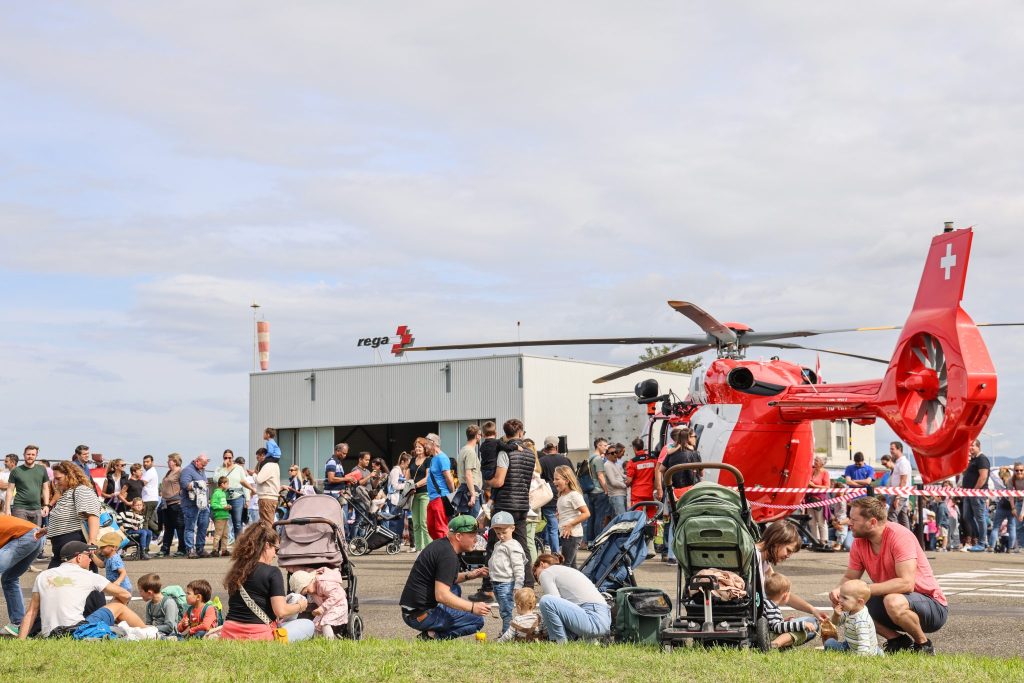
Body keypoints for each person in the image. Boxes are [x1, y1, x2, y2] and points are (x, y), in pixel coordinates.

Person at [830, 495, 947, 654]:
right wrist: (839, 591)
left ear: (872, 522)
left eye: (854, 519)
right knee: (851, 600)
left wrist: (864, 590)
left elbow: (906, 584)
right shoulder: (859, 542)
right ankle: (897, 641)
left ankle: (924, 645)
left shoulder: (899, 536)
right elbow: (850, 577)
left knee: (891, 600)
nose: (849, 523)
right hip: (894, 600)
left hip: (930, 603)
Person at [18, 540, 145, 639]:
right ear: (79, 558)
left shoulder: (43, 576)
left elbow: (31, 612)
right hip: (76, 631)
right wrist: (116, 604)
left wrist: (21, 641)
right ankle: (149, 632)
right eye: (88, 555)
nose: (91, 559)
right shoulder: (89, 576)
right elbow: (126, 594)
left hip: (49, 634)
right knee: (118, 606)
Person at [399, 514, 489, 640]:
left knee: (455, 588)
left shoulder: (442, 546)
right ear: (458, 536)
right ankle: (432, 636)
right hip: (420, 615)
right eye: (472, 536)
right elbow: (441, 595)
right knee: (477, 621)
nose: (475, 539)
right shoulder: (448, 556)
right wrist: (473, 607)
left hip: (412, 610)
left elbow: (446, 578)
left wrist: (470, 575)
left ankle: (434, 627)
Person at [221, 523, 314, 641]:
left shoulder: (237, 570)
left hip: (230, 632)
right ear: (266, 545)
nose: (275, 555)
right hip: (257, 635)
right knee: (308, 625)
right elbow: (281, 611)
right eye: (276, 549)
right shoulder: (273, 572)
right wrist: (300, 605)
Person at [484, 419, 536, 590]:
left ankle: (488, 587)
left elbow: (499, 481)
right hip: (522, 505)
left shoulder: (504, 453)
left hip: (505, 504)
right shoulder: (530, 454)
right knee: (523, 545)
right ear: (520, 432)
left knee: (493, 543)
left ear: (506, 434)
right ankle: (528, 584)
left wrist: (487, 481)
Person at [756, 521, 830, 623]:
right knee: (811, 623)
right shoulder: (755, 556)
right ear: (777, 541)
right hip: (756, 622)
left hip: (759, 619)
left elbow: (782, 592)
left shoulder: (763, 561)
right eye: (788, 550)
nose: (788, 556)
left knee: (811, 622)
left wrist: (813, 610)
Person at [533, 553, 611, 643]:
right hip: (603, 620)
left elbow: (553, 603)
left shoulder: (546, 572)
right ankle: (584, 640)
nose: (538, 580)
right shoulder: (566, 570)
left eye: (536, 574)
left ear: (542, 564)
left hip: (592, 618)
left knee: (546, 601)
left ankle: (559, 643)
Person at [656, 428, 703, 562]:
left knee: (673, 524)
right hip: (690, 493)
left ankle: (672, 556)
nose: (695, 438)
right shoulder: (695, 454)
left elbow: (661, 469)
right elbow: (701, 473)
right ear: (688, 438)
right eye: (694, 436)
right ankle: (688, 556)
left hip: (674, 493)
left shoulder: (671, 454)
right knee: (690, 523)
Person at [46, 461, 102, 568]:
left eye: (59, 478)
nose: (56, 482)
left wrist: (91, 542)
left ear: (70, 475)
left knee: (77, 579)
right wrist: (47, 530)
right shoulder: (68, 492)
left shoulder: (81, 490)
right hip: (63, 547)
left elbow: (93, 515)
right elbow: (67, 517)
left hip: (75, 544)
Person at [0, 514, 47, 636]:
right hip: (37, 536)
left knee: (9, 579)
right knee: (9, 579)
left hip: (27, 536)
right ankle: (18, 624)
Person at [488, 511, 527, 633]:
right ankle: (507, 631)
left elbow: (519, 567)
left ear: (513, 528)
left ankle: (507, 633)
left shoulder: (513, 546)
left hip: (506, 583)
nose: (501, 536)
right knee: (503, 609)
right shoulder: (498, 544)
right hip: (497, 582)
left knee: (506, 611)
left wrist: (518, 584)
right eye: (498, 533)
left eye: (504, 532)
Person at [824, 579, 883, 655]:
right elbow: (836, 623)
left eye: (845, 598)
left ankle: (877, 652)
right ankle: (876, 651)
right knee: (829, 643)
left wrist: (859, 660)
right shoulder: (850, 610)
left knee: (830, 645)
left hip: (863, 649)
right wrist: (836, 615)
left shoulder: (861, 620)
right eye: (840, 596)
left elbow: (864, 643)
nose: (840, 600)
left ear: (859, 602)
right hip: (851, 644)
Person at [289, 566, 350, 638]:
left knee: (325, 622)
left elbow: (338, 595)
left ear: (311, 581)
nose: (309, 593)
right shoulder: (312, 588)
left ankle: (330, 643)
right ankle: (317, 641)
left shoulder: (324, 584)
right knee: (315, 624)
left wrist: (322, 608)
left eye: (307, 591)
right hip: (326, 609)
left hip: (338, 606)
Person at [5, 446, 51, 541]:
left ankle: (35, 555)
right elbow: (9, 490)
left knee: (36, 535)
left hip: (37, 508)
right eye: (28, 454)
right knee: (21, 536)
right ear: (24, 455)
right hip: (20, 508)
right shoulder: (16, 471)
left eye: (33, 454)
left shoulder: (42, 469)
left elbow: (46, 488)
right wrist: (7, 508)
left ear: (36, 456)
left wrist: (46, 505)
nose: (30, 456)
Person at [763, 572, 818, 649]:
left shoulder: (766, 604)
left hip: (765, 634)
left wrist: (783, 620)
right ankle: (775, 644)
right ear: (785, 596)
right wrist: (803, 624)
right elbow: (777, 627)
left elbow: (770, 623)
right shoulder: (772, 608)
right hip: (768, 636)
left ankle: (779, 645)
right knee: (801, 632)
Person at [538, 436, 572, 556]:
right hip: (564, 496)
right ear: (557, 446)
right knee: (566, 524)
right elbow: (573, 478)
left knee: (552, 526)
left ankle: (555, 552)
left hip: (548, 497)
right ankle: (567, 552)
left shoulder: (541, 461)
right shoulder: (565, 460)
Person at [553, 466, 590, 568]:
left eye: (557, 479)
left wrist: (570, 525)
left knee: (565, 565)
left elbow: (586, 513)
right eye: (554, 479)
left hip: (572, 535)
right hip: (566, 534)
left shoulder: (574, 495)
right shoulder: (562, 495)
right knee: (572, 566)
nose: (554, 481)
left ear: (567, 480)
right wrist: (559, 515)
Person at [215, 450, 251, 543]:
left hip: (237, 498)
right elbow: (216, 480)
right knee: (222, 523)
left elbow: (244, 483)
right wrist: (223, 468)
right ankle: (221, 548)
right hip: (224, 498)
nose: (228, 459)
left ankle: (238, 547)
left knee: (237, 523)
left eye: (230, 457)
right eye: (225, 458)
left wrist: (247, 499)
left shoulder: (239, 468)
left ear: (233, 458)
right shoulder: (219, 468)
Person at [179, 453, 211, 558]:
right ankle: (190, 549)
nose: (204, 467)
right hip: (191, 505)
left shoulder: (201, 471)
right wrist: (196, 484)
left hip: (203, 504)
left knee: (203, 526)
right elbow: (184, 484)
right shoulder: (187, 470)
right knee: (190, 527)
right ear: (197, 461)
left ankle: (200, 548)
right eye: (203, 464)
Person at [961, 439, 990, 551]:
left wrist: (975, 491)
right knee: (966, 516)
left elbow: (983, 477)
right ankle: (979, 539)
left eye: (972, 446)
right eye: (969, 446)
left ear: (979, 446)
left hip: (977, 494)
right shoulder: (972, 460)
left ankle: (982, 542)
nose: (970, 448)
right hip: (969, 493)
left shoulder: (982, 459)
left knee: (980, 518)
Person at [424, 438, 454, 540]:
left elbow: (448, 478)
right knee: (431, 527)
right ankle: (439, 548)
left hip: (440, 497)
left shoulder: (442, 458)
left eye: (426, 444)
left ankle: (445, 551)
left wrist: (452, 494)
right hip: (432, 498)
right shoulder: (433, 459)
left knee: (441, 528)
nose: (425, 446)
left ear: (433, 443)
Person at [159, 453, 186, 557]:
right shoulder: (169, 472)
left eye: (169, 460)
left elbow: (184, 485)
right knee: (168, 527)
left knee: (179, 527)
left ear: (175, 461)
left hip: (176, 503)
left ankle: (182, 549)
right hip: (166, 503)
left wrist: (180, 497)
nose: (167, 462)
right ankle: (165, 549)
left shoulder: (181, 471)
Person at [584, 438, 611, 543]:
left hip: (590, 491)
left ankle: (590, 540)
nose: (606, 448)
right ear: (598, 446)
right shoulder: (598, 459)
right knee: (600, 517)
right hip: (599, 491)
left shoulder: (590, 458)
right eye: (604, 445)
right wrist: (606, 490)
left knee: (592, 517)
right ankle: (598, 540)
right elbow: (600, 476)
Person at [408, 439, 432, 551]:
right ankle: (418, 548)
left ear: (425, 448)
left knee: (424, 522)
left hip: (424, 494)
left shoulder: (428, 460)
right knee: (415, 523)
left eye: (420, 447)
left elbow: (428, 478)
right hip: (413, 495)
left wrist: (415, 485)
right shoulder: (412, 460)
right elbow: (407, 476)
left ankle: (428, 548)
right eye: (416, 446)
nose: (417, 449)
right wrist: (408, 486)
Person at [624, 437, 657, 516]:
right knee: (652, 515)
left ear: (634, 448)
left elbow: (629, 480)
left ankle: (639, 528)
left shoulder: (632, 462)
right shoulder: (653, 459)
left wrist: (626, 484)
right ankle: (652, 527)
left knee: (637, 516)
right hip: (650, 492)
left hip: (637, 494)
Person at [455, 425, 482, 517]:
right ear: (477, 436)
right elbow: (468, 474)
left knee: (465, 523)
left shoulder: (463, 450)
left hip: (464, 490)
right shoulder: (470, 452)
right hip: (470, 491)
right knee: (471, 525)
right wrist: (473, 495)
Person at [386, 453, 411, 542]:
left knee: (399, 522)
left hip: (400, 500)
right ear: (402, 462)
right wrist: (407, 485)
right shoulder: (395, 471)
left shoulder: (401, 471)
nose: (408, 465)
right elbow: (395, 486)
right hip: (393, 499)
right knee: (394, 521)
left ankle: (397, 540)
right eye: (407, 463)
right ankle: (393, 541)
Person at [888, 442, 913, 530]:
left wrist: (898, 497)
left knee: (891, 516)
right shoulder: (899, 463)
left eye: (892, 449)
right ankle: (908, 539)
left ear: (899, 449)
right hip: (900, 494)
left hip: (900, 494)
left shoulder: (903, 462)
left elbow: (903, 480)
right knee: (902, 518)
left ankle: (895, 538)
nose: (890, 451)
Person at [807, 456, 831, 545]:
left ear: (822, 463)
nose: (815, 462)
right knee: (812, 522)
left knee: (821, 521)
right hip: (810, 499)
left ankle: (823, 541)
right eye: (815, 460)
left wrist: (814, 486)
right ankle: (815, 541)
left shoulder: (825, 473)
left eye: (817, 461)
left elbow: (827, 487)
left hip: (819, 499)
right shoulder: (812, 471)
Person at [254, 447, 280, 526]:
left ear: (263, 455)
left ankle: (271, 538)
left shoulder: (268, 465)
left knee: (267, 525)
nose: (258, 460)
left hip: (267, 498)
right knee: (268, 523)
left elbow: (259, 479)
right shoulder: (274, 465)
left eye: (258, 457)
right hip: (270, 497)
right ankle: (271, 538)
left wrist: (254, 474)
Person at [603, 443, 628, 519]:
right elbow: (613, 482)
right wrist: (624, 485)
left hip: (621, 494)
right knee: (622, 519)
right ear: (607, 455)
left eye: (616, 452)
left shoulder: (615, 464)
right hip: (616, 495)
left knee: (620, 518)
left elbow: (622, 476)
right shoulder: (607, 465)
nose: (615, 454)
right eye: (612, 453)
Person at [210, 476, 232, 556]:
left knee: (225, 534)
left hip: (225, 516)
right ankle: (214, 550)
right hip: (219, 516)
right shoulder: (216, 493)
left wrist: (227, 506)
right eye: (227, 484)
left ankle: (224, 550)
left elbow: (222, 504)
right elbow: (213, 505)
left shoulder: (223, 493)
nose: (228, 485)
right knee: (218, 534)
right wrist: (223, 507)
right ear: (222, 484)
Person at [140, 454, 161, 537]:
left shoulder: (150, 472)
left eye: (147, 462)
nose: (145, 464)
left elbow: (141, 484)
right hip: (151, 499)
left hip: (148, 499)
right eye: (144, 462)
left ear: (152, 462)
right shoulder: (150, 472)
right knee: (149, 520)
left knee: (144, 520)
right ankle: (159, 533)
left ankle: (145, 542)